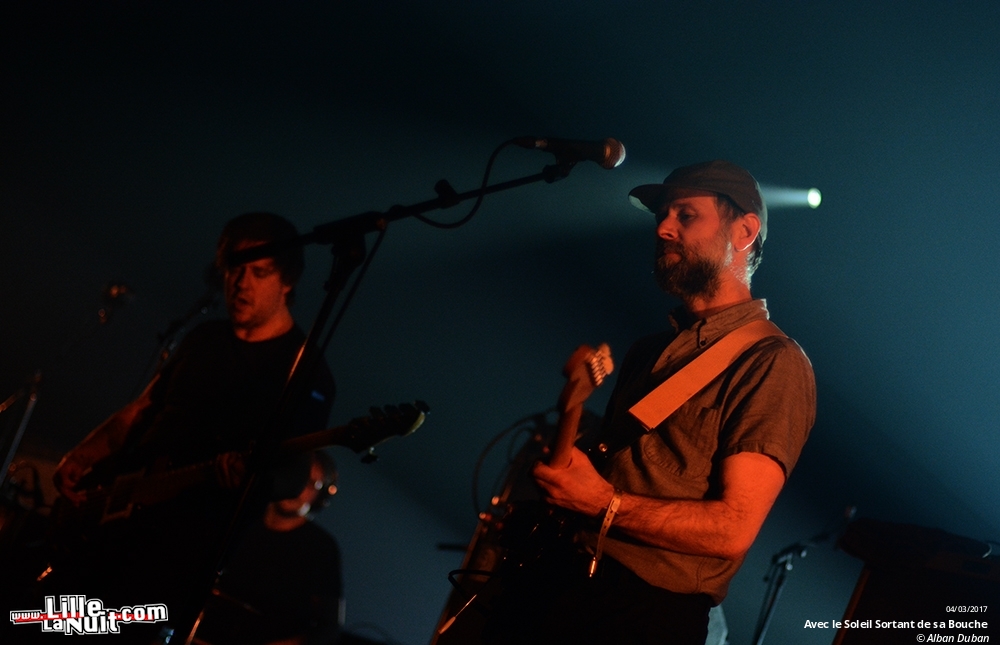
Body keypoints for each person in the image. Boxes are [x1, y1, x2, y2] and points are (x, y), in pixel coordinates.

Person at [487, 161, 816, 644]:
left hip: (644, 615)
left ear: (745, 232)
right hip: (565, 583)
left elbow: (732, 530)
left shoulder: (771, 361)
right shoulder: (648, 351)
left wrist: (603, 503)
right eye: (662, 215)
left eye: (686, 215)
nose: (663, 228)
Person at [48, 212, 336, 641]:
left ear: (287, 280)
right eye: (235, 269)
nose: (241, 284)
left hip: (180, 551)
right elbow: (143, 409)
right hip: (115, 522)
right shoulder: (205, 337)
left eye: (259, 272)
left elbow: (293, 473)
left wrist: (252, 475)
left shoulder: (304, 371)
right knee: (49, 625)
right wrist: (85, 454)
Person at [192, 451, 343, 645]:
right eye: (296, 476)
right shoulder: (241, 518)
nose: (298, 487)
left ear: (321, 494)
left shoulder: (322, 548)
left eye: (310, 483)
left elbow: (328, 628)